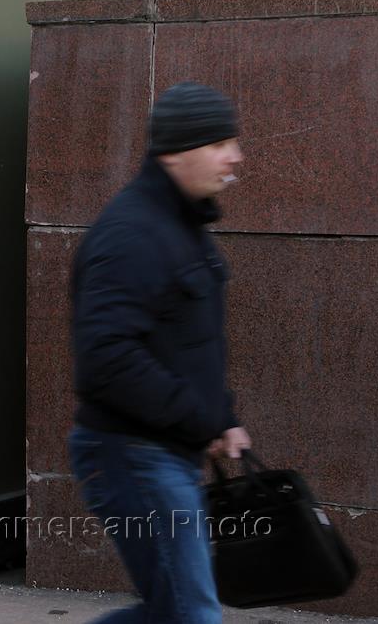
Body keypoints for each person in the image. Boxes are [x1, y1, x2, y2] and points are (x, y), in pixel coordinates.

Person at [68, 82, 251, 623]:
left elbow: (187, 341)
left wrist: (222, 416)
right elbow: (106, 359)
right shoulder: (132, 234)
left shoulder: (179, 225)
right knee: (191, 614)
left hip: (162, 450)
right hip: (132, 455)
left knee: (174, 611)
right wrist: (200, 418)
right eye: (218, 143)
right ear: (173, 152)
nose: (235, 156)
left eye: (233, 141)